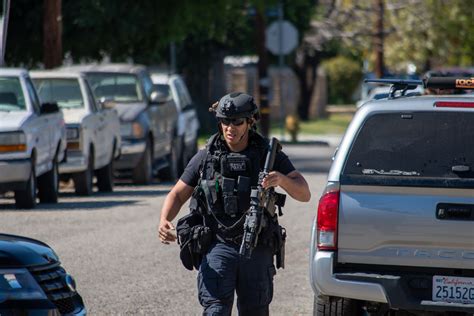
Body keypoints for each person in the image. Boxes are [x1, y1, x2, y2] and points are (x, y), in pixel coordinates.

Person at [158, 92, 310, 315]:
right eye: (225, 121)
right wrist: (164, 219)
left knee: (255, 310)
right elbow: (178, 194)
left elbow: (304, 193)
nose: (230, 128)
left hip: (257, 246)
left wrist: (282, 179)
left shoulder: (267, 154)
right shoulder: (208, 155)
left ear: (250, 122)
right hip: (218, 245)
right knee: (216, 310)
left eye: (237, 122)